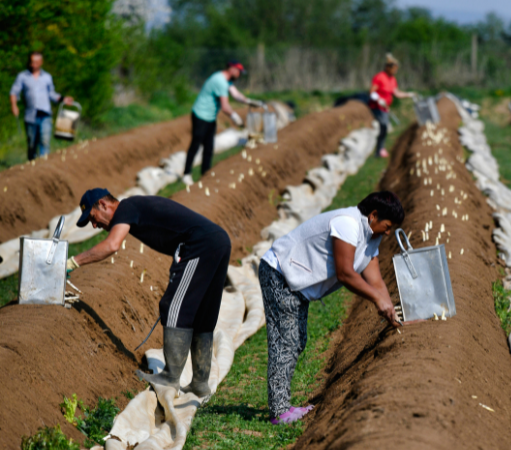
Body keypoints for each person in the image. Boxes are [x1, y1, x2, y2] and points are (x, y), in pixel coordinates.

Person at [67, 188, 232, 397]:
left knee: (174, 308)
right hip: (218, 241)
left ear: (103, 204)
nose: (94, 225)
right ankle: (199, 384)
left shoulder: (126, 208)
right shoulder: (134, 207)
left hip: (200, 244)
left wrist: (72, 262)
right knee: (202, 314)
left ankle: (170, 378)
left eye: (93, 217)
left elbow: (112, 245)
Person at [259, 191, 404, 424]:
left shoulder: (371, 237)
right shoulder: (348, 224)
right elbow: (345, 273)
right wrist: (378, 300)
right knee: (287, 341)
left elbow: (375, 281)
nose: (388, 232)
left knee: (297, 340)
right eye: (387, 226)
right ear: (374, 216)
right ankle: (279, 411)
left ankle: (282, 405)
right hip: (280, 272)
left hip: (297, 281)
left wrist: (390, 312)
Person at [182, 61, 263, 185]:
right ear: (232, 69)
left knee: (209, 147)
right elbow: (225, 106)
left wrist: (248, 101)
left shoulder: (227, 81)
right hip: (200, 116)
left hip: (210, 117)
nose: (239, 75)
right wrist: (235, 117)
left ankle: (205, 175)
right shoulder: (219, 81)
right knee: (195, 144)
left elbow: (236, 95)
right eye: (239, 72)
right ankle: (186, 174)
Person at [9, 51, 74, 161]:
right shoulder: (22, 76)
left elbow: (52, 94)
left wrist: (63, 99)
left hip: (45, 114)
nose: (33, 64)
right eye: (31, 62)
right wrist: (14, 105)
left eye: (36, 62)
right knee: (31, 143)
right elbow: (13, 92)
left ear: (41, 62)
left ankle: (44, 165)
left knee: (44, 140)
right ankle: (32, 165)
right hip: (30, 115)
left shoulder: (47, 77)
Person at [369, 54, 415, 158]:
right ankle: (379, 150)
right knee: (384, 127)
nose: (395, 71)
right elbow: (371, 92)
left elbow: (396, 93)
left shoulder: (393, 79)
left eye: (396, 69)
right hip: (377, 107)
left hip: (385, 108)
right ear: (387, 67)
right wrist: (378, 99)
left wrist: (409, 94)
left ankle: (380, 149)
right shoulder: (379, 77)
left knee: (384, 128)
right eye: (394, 68)